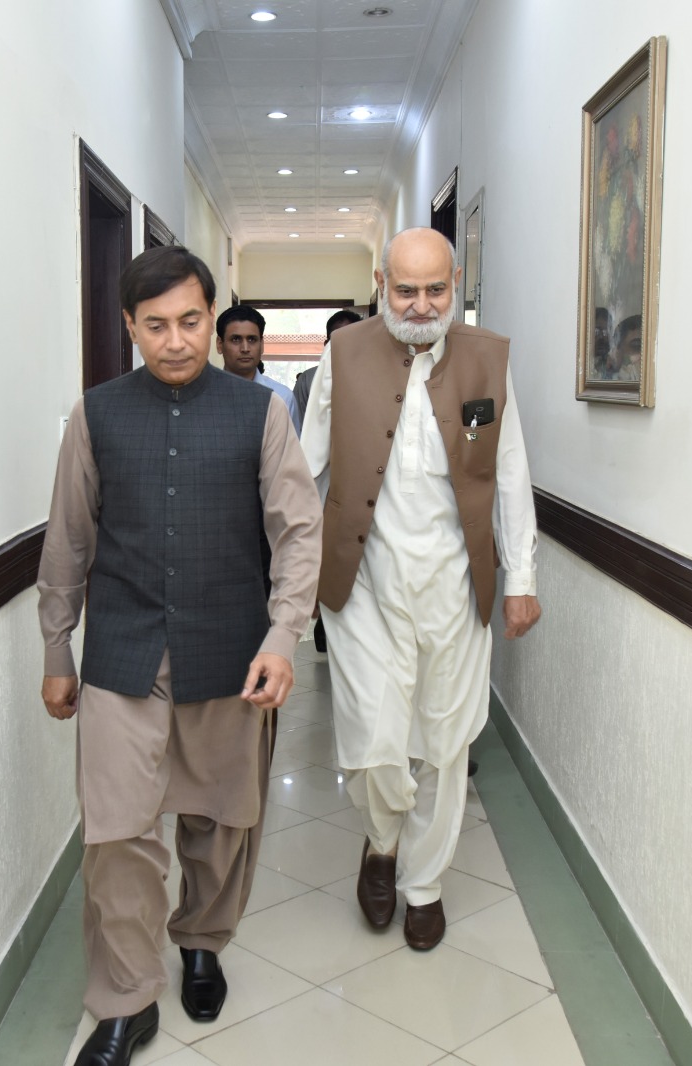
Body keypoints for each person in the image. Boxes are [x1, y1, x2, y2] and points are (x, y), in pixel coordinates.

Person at [38, 246, 322, 1066]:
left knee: (221, 817)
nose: (175, 341)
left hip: (230, 652)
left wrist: (282, 637)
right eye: (156, 325)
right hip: (122, 655)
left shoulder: (260, 414)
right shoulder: (96, 415)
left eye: (191, 321)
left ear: (212, 317)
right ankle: (126, 998)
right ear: (129, 326)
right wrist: (57, 646)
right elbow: (68, 539)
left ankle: (201, 941)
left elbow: (298, 532)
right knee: (116, 833)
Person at [298, 227, 540, 951]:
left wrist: (522, 578)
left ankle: (425, 884)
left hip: (456, 586)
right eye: (406, 289)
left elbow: (511, 473)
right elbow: (306, 469)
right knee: (375, 741)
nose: (422, 304)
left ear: (455, 281)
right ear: (381, 284)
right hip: (364, 584)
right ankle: (382, 841)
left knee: (443, 744)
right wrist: (289, 578)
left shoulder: (488, 359)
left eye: (436, 289)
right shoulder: (343, 354)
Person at [292, 308, 361, 655]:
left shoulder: (378, 373)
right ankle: (325, 616)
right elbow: (308, 434)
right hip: (326, 476)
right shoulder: (310, 380)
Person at [216, 306, 302, 433]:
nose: (245, 348)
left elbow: (291, 445)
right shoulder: (203, 397)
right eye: (236, 339)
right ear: (219, 344)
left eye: (252, 339)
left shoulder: (282, 397)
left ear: (261, 345)